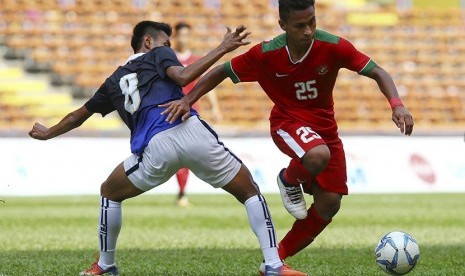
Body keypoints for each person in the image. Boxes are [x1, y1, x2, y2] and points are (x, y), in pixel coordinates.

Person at [29, 21, 307, 276]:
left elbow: (80, 114)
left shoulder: (113, 82)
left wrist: (48, 132)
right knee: (249, 191)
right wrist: (223, 47)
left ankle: (105, 264)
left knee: (109, 192)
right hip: (190, 131)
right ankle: (272, 263)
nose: (169, 48)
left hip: (155, 149)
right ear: (148, 42)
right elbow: (183, 77)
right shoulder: (158, 54)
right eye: (165, 42)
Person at [160, 0, 415, 274]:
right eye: (300, 25)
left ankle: (275, 259)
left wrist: (396, 104)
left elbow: (378, 71)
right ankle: (288, 179)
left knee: (329, 204)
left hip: (326, 129)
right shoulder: (266, 54)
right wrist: (189, 99)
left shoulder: (333, 45)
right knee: (317, 155)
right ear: (283, 25)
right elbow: (221, 72)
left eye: (312, 22)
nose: (308, 31)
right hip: (287, 122)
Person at [172, 21, 223, 208]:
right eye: (180, 35)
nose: (183, 39)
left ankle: (182, 192)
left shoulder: (196, 60)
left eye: (187, 35)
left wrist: (215, 107)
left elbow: (207, 84)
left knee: (185, 154)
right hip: (169, 112)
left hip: (191, 114)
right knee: (175, 154)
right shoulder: (168, 59)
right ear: (174, 37)